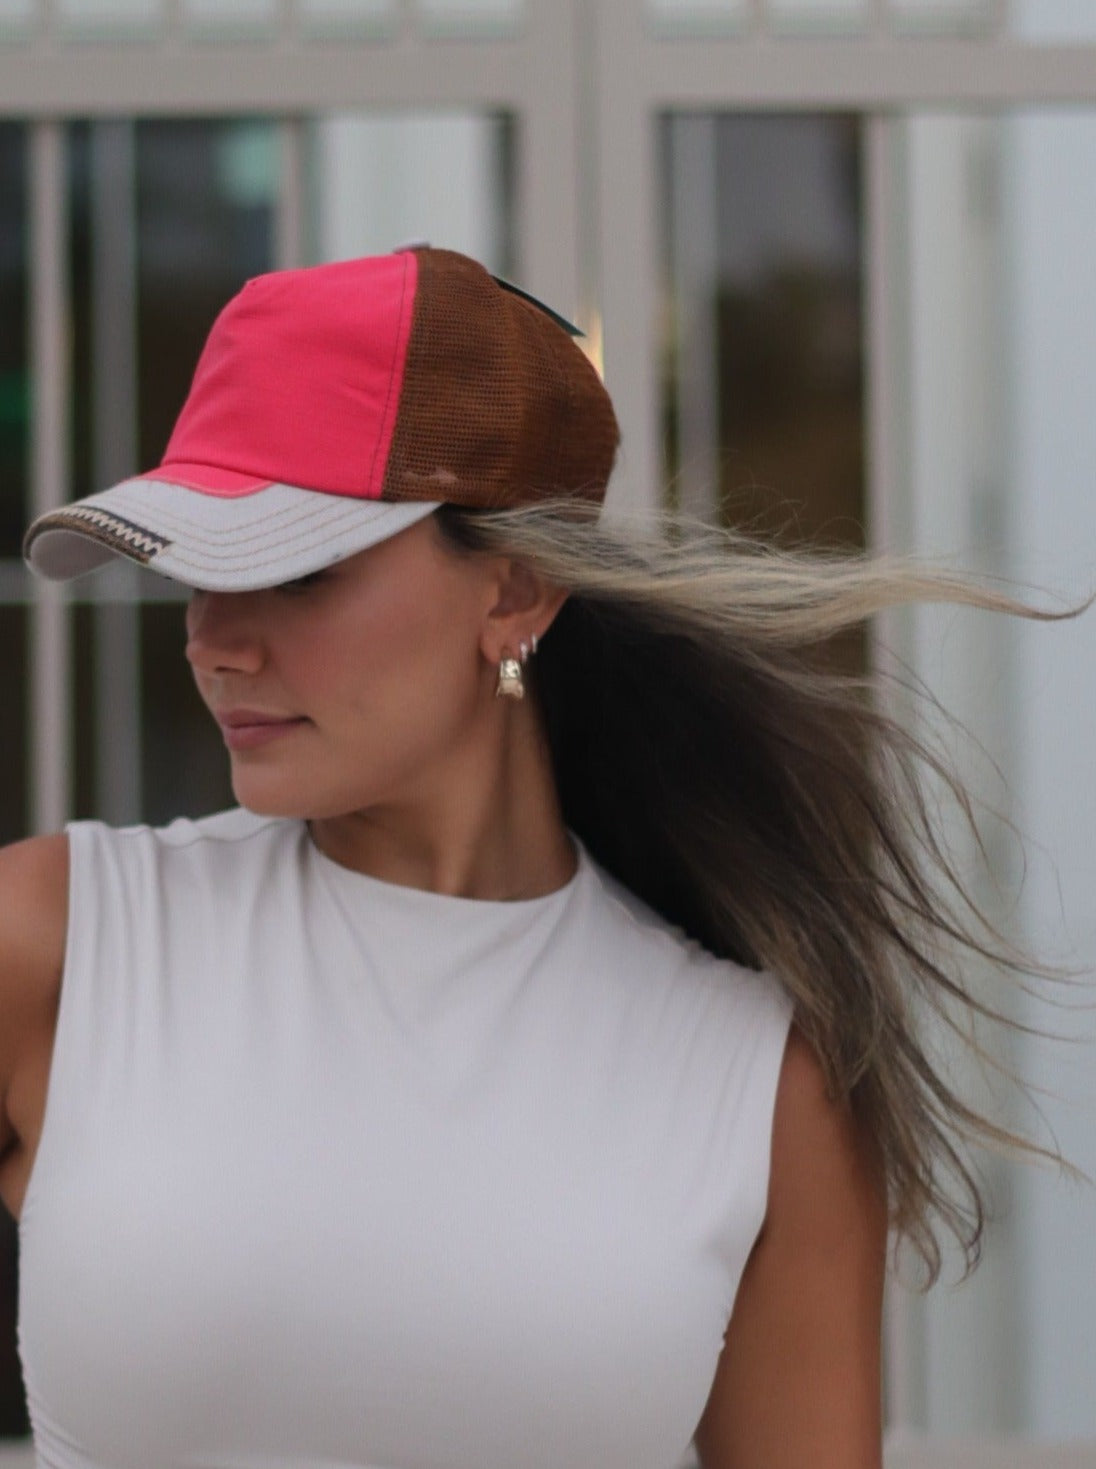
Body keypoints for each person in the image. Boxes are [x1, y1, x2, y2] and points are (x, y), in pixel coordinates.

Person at [0, 245, 1065, 1469]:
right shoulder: (57, 947)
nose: (215, 642)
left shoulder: (757, 1082)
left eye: (291, 570)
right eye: (192, 566)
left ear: (515, 591)